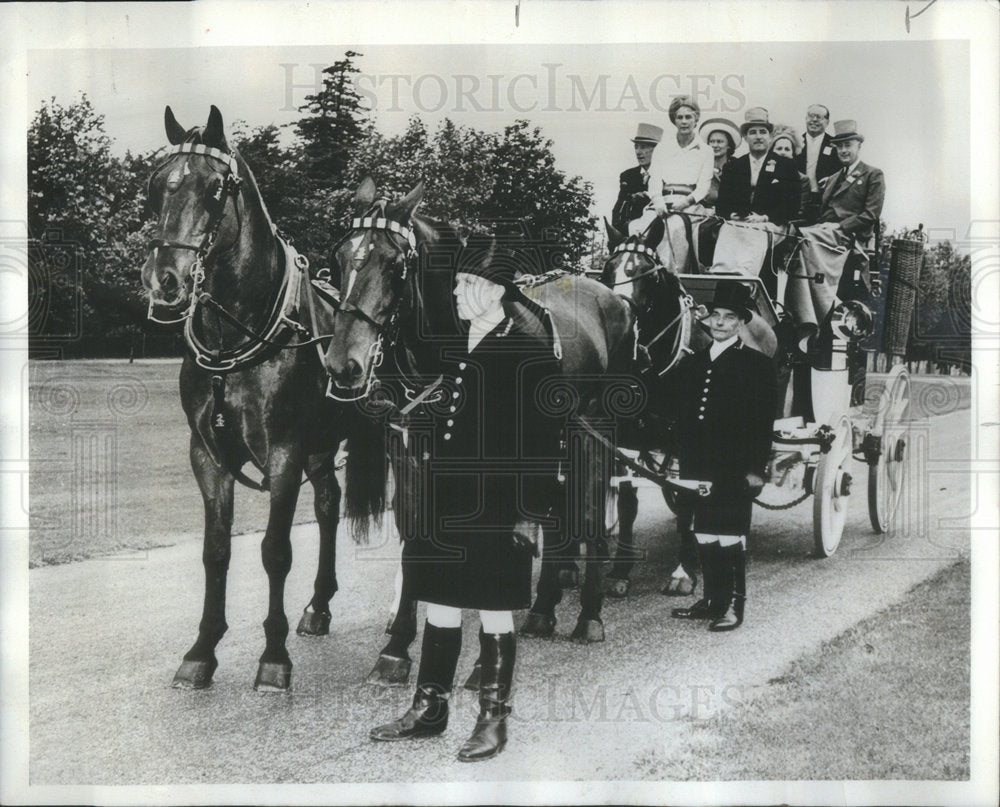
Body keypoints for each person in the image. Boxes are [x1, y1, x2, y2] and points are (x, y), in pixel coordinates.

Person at [370, 240, 562, 761]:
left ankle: (493, 722)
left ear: (492, 291)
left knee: (496, 613)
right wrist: (405, 415)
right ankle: (429, 710)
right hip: (445, 500)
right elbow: (454, 421)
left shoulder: (529, 353)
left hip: (499, 507)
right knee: (439, 602)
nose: (455, 290)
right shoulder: (459, 346)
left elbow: (545, 442)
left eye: (463, 283)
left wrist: (528, 513)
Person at [668, 281, 776, 631]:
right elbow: (682, 416)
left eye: (729, 318)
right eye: (715, 315)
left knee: (730, 533)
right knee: (703, 532)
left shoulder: (756, 366)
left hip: (733, 464)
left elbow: (762, 422)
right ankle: (713, 599)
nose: (720, 322)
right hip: (696, 462)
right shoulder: (692, 364)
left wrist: (756, 468)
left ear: (740, 323)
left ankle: (734, 604)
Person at [789, 119, 885, 338]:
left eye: (848, 145)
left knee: (802, 237)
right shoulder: (832, 179)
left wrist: (839, 225)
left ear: (858, 147)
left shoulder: (872, 175)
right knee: (791, 236)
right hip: (824, 235)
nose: (843, 150)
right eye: (839, 146)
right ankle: (805, 309)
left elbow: (871, 214)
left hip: (848, 238)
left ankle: (816, 307)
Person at [710, 108, 801, 277]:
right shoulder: (735, 166)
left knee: (756, 233)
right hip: (741, 222)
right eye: (752, 132)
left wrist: (765, 217)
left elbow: (792, 205)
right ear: (745, 138)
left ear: (770, 136)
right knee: (727, 229)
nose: (758, 136)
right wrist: (732, 214)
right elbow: (722, 203)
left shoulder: (785, 166)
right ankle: (720, 275)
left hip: (773, 224)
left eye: (763, 132)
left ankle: (744, 279)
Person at [639, 95, 715, 270]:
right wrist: (657, 201)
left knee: (674, 227)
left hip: (690, 205)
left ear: (696, 119)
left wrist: (685, 202)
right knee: (642, 227)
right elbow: (655, 179)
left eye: (688, 117)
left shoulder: (705, 150)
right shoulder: (663, 148)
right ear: (674, 120)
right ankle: (643, 274)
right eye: (679, 117)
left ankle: (671, 274)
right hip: (662, 202)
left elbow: (704, 186)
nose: (684, 121)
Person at [611, 122, 663, 233]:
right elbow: (618, 208)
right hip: (632, 230)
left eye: (643, 147)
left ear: (657, 150)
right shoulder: (628, 176)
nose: (638, 152)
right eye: (636, 147)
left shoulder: (666, 175)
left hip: (658, 230)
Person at [795, 104, 841, 223]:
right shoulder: (795, 143)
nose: (814, 120)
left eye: (819, 117)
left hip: (824, 201)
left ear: (827, 122)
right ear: (806, 118)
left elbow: (842, 172)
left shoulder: (835, 145)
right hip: (798, 199)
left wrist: (831, 179)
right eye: (811, 116)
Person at [698, 117, 741, 210]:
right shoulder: (701, 166)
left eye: (720, 142)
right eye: (712, 142)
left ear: (729, 145)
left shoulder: (738, 166)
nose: (715, 145)